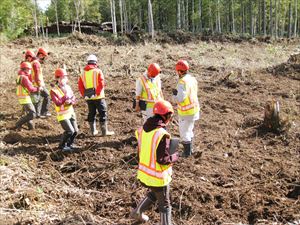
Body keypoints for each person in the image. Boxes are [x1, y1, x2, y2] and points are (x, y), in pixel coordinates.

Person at [131, 100, 175, 225]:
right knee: (165, 204)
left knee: (155, 193)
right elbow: (163, 160)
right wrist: (175, 156)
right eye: (170, 116)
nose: (170, 119)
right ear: (165, 115)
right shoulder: (162, 134)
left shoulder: (142, 130)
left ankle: (137, 213)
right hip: (158, 177)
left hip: (144, 174)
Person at [78, 54, 114, 136]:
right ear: (95, 63)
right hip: (99, 97)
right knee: (103, 113)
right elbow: (101, 84)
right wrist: (97, 93)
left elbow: (80, 86)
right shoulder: (98, 71)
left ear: (88, 63)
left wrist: (84, 94)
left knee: (91, 113)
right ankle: (104, 132)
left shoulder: (82, 73)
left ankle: (93, 131)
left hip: (88, 98)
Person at [172, 60, 200, 157]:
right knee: (189, 130)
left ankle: (186, 153)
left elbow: (180, 98)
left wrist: (174, 95)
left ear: (179, 71)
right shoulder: (192, 79)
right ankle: (190, 150)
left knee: (184, 133)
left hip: (186, 112)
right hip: (194, 109)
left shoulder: (182, 82)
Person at [50, 68, 79, 151]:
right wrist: (65, 97)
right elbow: (57, 102)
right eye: (62, 78)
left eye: (65, 77)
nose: (64, 80)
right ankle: (61, 146)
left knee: (75, 131)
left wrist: (71, 101)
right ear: (57, 79)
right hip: (62, 114)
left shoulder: (68, 87)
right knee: (69, 131)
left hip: (70, 112)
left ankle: (70, 144)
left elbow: (74, 98)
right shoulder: (53, 90)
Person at [25, 48, 51, 118]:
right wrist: (40, 85)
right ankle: (43, 112)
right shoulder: (36, 63)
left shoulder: (33, 62)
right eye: (44, 57)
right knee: (47, 96)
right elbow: (37, 75)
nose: (44, 58)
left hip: (35, 84)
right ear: (41, 55)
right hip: (38, 84)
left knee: (38, 99)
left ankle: (38, 113)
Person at [15, 62, 40, 130]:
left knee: (28, 113)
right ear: (25, 69)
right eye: (29, 69)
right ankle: (18, 124)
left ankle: (31, 127)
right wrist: (38, 89)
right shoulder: (24, 78)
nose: (30, 71)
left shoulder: (19, 76)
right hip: (25, 97)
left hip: (21, 97)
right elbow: (31, 89)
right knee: (32, 114)